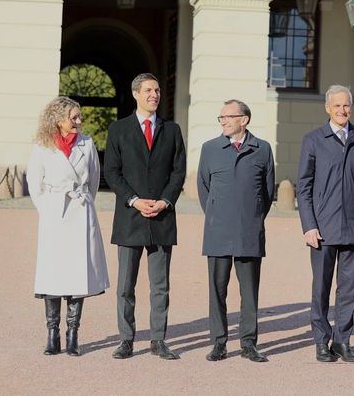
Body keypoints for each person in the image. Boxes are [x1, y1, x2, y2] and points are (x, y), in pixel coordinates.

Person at [104, 73, 186, 360]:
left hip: (162, 218)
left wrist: (164, 201)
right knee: (126, 285)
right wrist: (135, 200)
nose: (155, 94)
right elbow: (111, 172)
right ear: (136, 93)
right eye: (149, 90)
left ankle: (158, 340)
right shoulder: (118, 129)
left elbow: (178, 171)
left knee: (160, 285)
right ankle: (126, 339)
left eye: (158, 89)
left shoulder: (172, 130)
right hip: (130, 218)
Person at [297, 84, 354, 363]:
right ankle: (321, 341)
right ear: (327, 108)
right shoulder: (313, 140)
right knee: (320, 288)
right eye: (337, 106)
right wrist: (308, 225)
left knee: (349, 290)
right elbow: (304, 187)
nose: (342, 110)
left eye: (346, 105)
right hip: (322, 229)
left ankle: (342, 341)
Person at [26, 97, 110, 356]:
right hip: (53, 213)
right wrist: (48, 208)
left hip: (79, 212)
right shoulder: (42, 146)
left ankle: (73, 333)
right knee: (52, 273)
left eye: (79, 117)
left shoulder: (87, 143)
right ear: (58, 119)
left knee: (77, 273)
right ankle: (52, 333)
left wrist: (83, 206)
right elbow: (33, 182)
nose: (79, 121)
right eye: (74, 117)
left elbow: (94, 180)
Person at [197, 99, 275, 363]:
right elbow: (203, 188)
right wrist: (218, 214)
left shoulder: (262, 149)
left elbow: (267, 192)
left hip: (249, 231)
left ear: (244, 119)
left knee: (249, 291)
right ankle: (219, 343)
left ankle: (249, 343)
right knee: (217, 290)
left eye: (228, 117)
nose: (224, 122)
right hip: (217, 231)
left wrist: (251, 216)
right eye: (221, 118)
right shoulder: (209, 149)